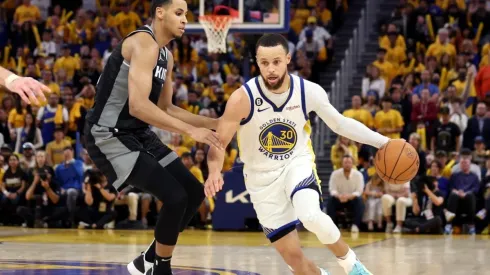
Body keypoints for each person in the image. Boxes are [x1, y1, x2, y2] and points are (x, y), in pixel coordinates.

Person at [205, 34, 392, 275]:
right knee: (296, 263)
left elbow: (340, 124)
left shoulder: (308, 91)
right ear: (257, 62)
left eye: (276, 62)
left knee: (310, 215)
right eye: (264, 63)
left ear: (287, 59)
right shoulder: (242, 98)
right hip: (260, 181)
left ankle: (352, 265)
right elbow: (219, 142)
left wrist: (384, 142)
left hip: (296, 163)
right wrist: (213, 172)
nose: (270, 69)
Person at [84, 1, 223, 274]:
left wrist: (215, 123)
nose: (185, 20)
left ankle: (147, 260)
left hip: (137, 133)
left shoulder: (165, 56)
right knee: (174, 198)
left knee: (193, 193)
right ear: (160, 12)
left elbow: (166, 108)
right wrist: (192, 131)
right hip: (108, 133)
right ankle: (161, 268)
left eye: (186, 15)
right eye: (179, 13)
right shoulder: (142, 43)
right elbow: (137, 106)